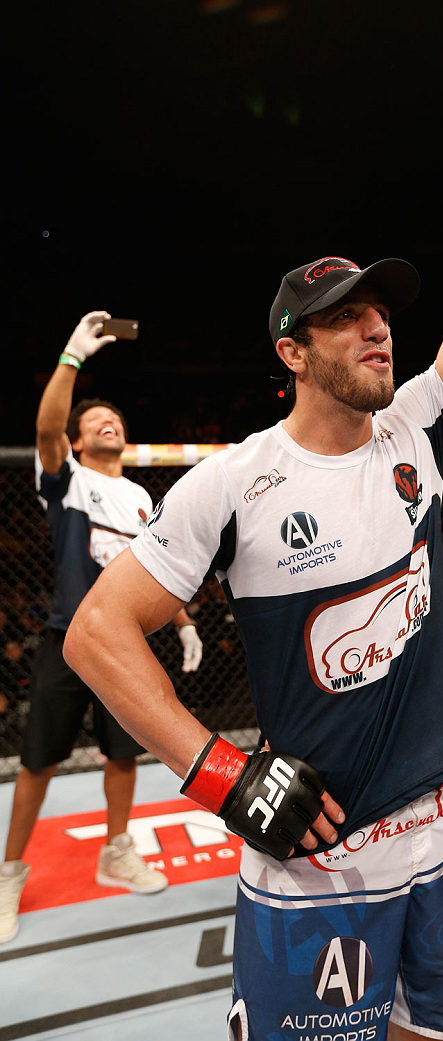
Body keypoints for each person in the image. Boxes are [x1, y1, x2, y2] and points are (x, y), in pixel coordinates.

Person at [63, 39, 443, 1041]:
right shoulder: (235, 483)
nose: (377, 329)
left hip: (442, 825)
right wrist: (223, 775)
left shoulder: (415, 426)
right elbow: (95, 634)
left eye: (381, 311)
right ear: (293, 350)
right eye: (347, 319)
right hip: (315, 860)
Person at [0, 312, 204, 946]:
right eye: (94, 423)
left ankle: (117, 850)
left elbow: (155, 569)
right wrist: (72, 358)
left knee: (123, 755)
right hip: (69, 636)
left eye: (113, 418)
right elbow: (44, 428)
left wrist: (185, 620)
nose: (107, 422)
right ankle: (8, 874)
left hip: (128, 645)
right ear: (80, 442)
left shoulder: (143, 499)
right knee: (39, 762)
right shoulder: (69, 481)